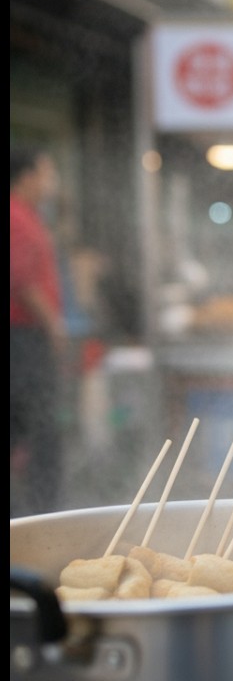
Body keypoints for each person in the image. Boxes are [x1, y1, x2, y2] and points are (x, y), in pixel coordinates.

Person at [11, 147, 65, 517]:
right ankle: (42, 517)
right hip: (23, 340)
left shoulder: (29, 216)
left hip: (26, 339)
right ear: (27, 176)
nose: (52, 181)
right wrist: (54, 324)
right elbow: (21, 280)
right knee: (40, 428)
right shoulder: (16, 217)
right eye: (47, 172)